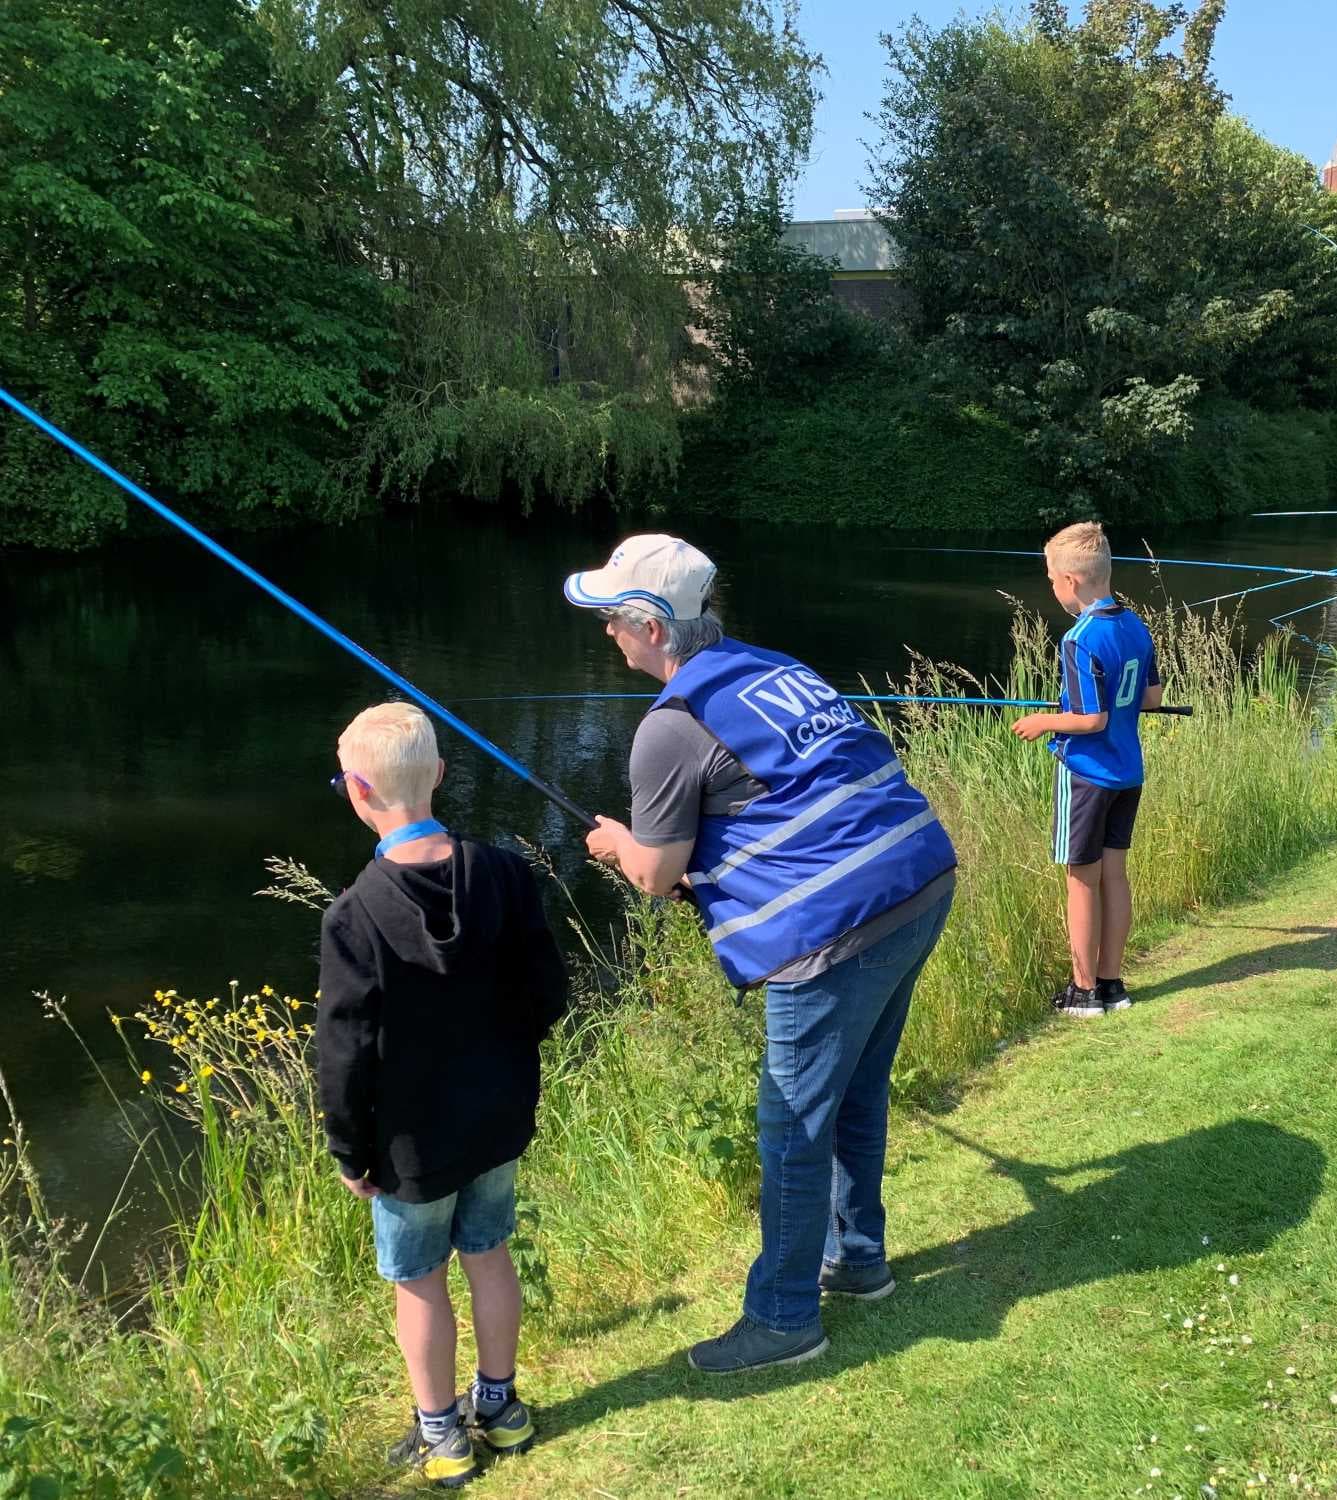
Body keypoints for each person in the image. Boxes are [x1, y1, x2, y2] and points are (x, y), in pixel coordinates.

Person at [567, 534, 957, 1375]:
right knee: (856, 1091)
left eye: (613, 619)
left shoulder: (668, 729)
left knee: (792, 1125)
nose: (607, 632)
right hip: (920, 878)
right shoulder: (772, 665)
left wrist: (616, 844)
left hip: (838, 926)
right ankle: (857, 1259)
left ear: (652, 627)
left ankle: (784, 1318)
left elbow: (655, 874)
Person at [316, 703, 567, 1488]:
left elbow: (345, 1051)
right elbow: (549, 992)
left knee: (418, 1280)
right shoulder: (507, 874)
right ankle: (501, 1408)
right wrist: (508, 1055)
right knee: (488, 1254)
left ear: (359, 791)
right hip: (498, 1118)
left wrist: (349, 1149)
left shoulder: (354, 914)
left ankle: (442, 1435)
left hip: (410, 1144)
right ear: (440, 776)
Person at [1010, 522, 1163, 1017]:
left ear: (1070, 581)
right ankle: (1111, 984)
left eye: (1051, 578)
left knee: (1081, 878)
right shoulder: (1135, 625)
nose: (1051, 587)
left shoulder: (1079, 639)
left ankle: (1082, 992)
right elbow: (1151, 698)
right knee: (1114, 876)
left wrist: (1044, 721)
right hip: (1128, 772)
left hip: (1087, 773)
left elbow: (1090, 719)